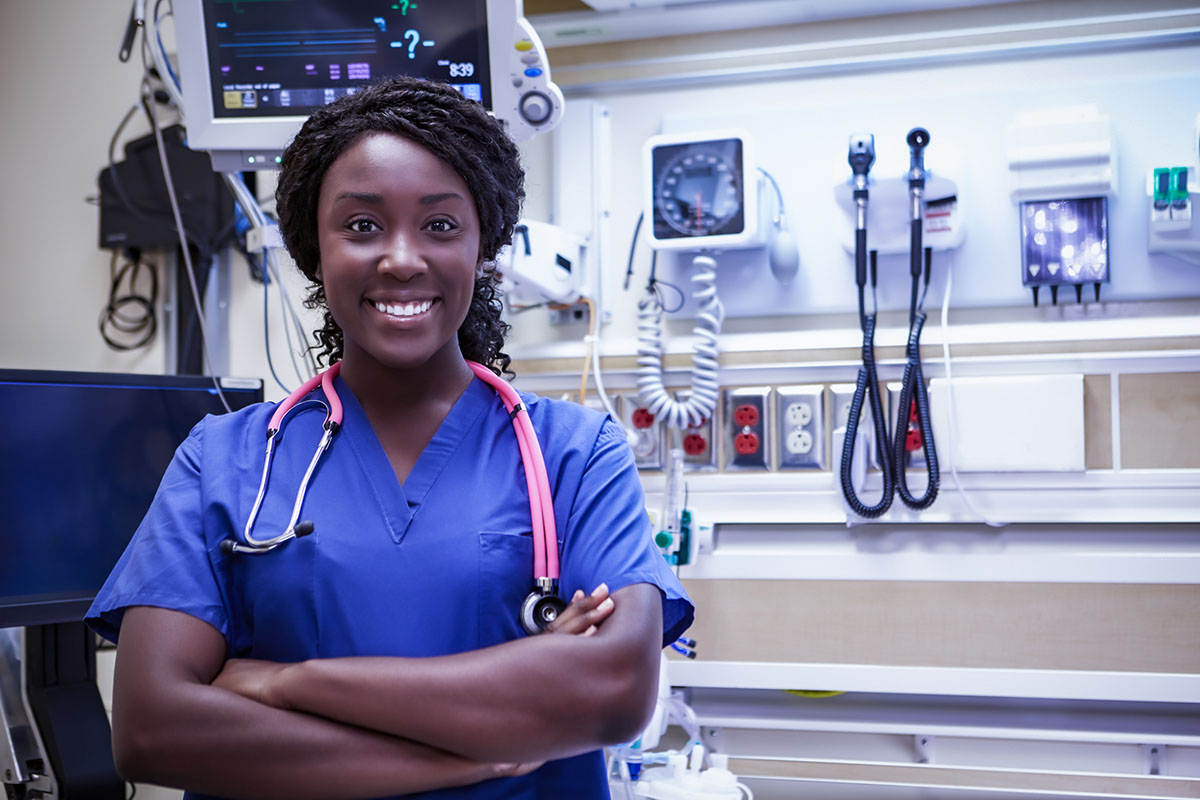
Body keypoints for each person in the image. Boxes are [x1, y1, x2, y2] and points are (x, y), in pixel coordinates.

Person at [86, 75, 693, 799]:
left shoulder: (573, 454)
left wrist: (286, 681)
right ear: (315, 246)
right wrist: (474, 753)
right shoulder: (225, 460)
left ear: (482, 245)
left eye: (440, 226)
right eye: (363, 226)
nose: (401, 258)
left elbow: (616, 690)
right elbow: (152, 729)